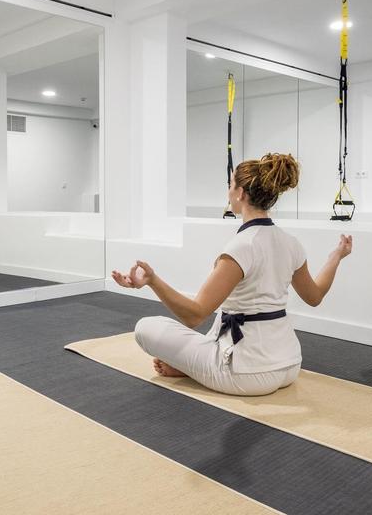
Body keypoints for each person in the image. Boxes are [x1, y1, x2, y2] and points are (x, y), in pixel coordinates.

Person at [112, 153, 352, 396]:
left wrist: (153, 281)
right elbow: (315, 296)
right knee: (227, 311)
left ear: (240, 193)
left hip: (246, 375)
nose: (228, 192)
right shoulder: (291, 243)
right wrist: (336, 256)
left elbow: (194, 315)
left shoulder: (241, 247)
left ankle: (193, 368)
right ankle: (193, 365)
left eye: (230, 185)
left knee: (146, 327)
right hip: (290, 365)